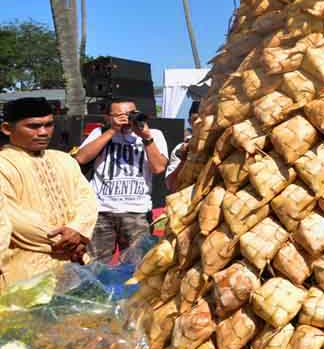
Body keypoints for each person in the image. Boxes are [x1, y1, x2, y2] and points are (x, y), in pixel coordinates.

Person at [0, 97, 97, 284]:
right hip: (26, 270)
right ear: (7, 128)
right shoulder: (4, 164)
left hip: (74, 263)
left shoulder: (64, 159)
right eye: (33, 126)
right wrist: (67, 241)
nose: (43, 132)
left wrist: (77, 230)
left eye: (49, 125)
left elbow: (87, 200)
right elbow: (11, 218)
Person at [73, 99, 169, 263]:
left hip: (137, 211)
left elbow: (159, 168)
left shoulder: (154, 134)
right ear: (108, 117)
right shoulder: (100, 132)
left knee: (137, 266)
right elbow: (81, 158)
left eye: (130, 114)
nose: (126, 119)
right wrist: (112, 131)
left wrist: (146, 138)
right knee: (93, 266)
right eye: (119, 115)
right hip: (101, 211)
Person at [165, 101, 200, 193]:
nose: (199, 123)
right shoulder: (181, 148)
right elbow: (171, 185)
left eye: (204, 119)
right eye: (195, 119)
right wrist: (183, 160)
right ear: (189, 122)